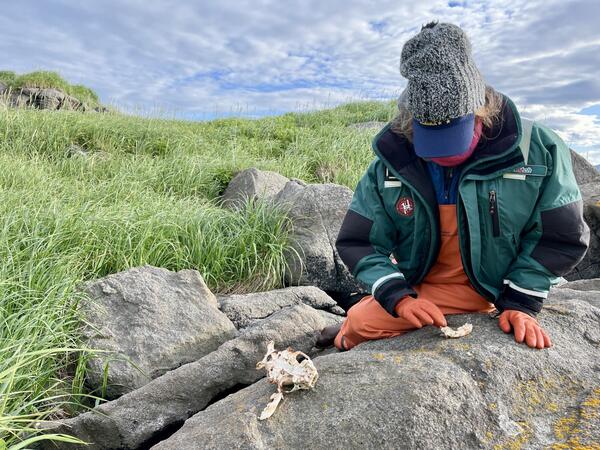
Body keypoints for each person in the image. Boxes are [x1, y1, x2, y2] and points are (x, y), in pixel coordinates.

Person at [316, 21, 590, 351]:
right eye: (430, 138)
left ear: (481, 110)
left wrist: (521, 301)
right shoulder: (391, 161)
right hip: (423, 285)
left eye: (455, 136)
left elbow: (563, 237)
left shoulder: (540, 148)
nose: (445, 153)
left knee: (362, 320)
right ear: (412, 121)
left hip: (495, 286)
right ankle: (351, 326)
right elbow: (358, 241)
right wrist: (399, 297)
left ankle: (349, 326)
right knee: (364, 319)